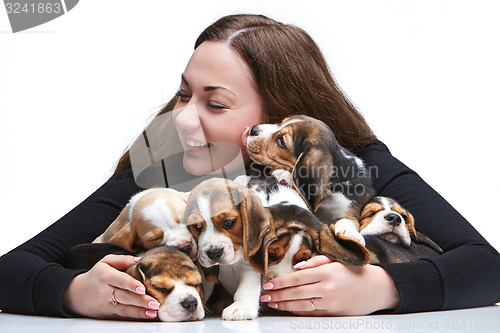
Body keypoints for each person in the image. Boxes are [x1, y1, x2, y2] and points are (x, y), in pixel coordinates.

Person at [1, 14, 499, 320]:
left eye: (215, 104)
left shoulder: (353, 166)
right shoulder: (162, 176)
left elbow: (486, 264)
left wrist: (384, 288)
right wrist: (70, 292)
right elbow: (11, 270)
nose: (183, 118)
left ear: (280, 121)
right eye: (183, 93)